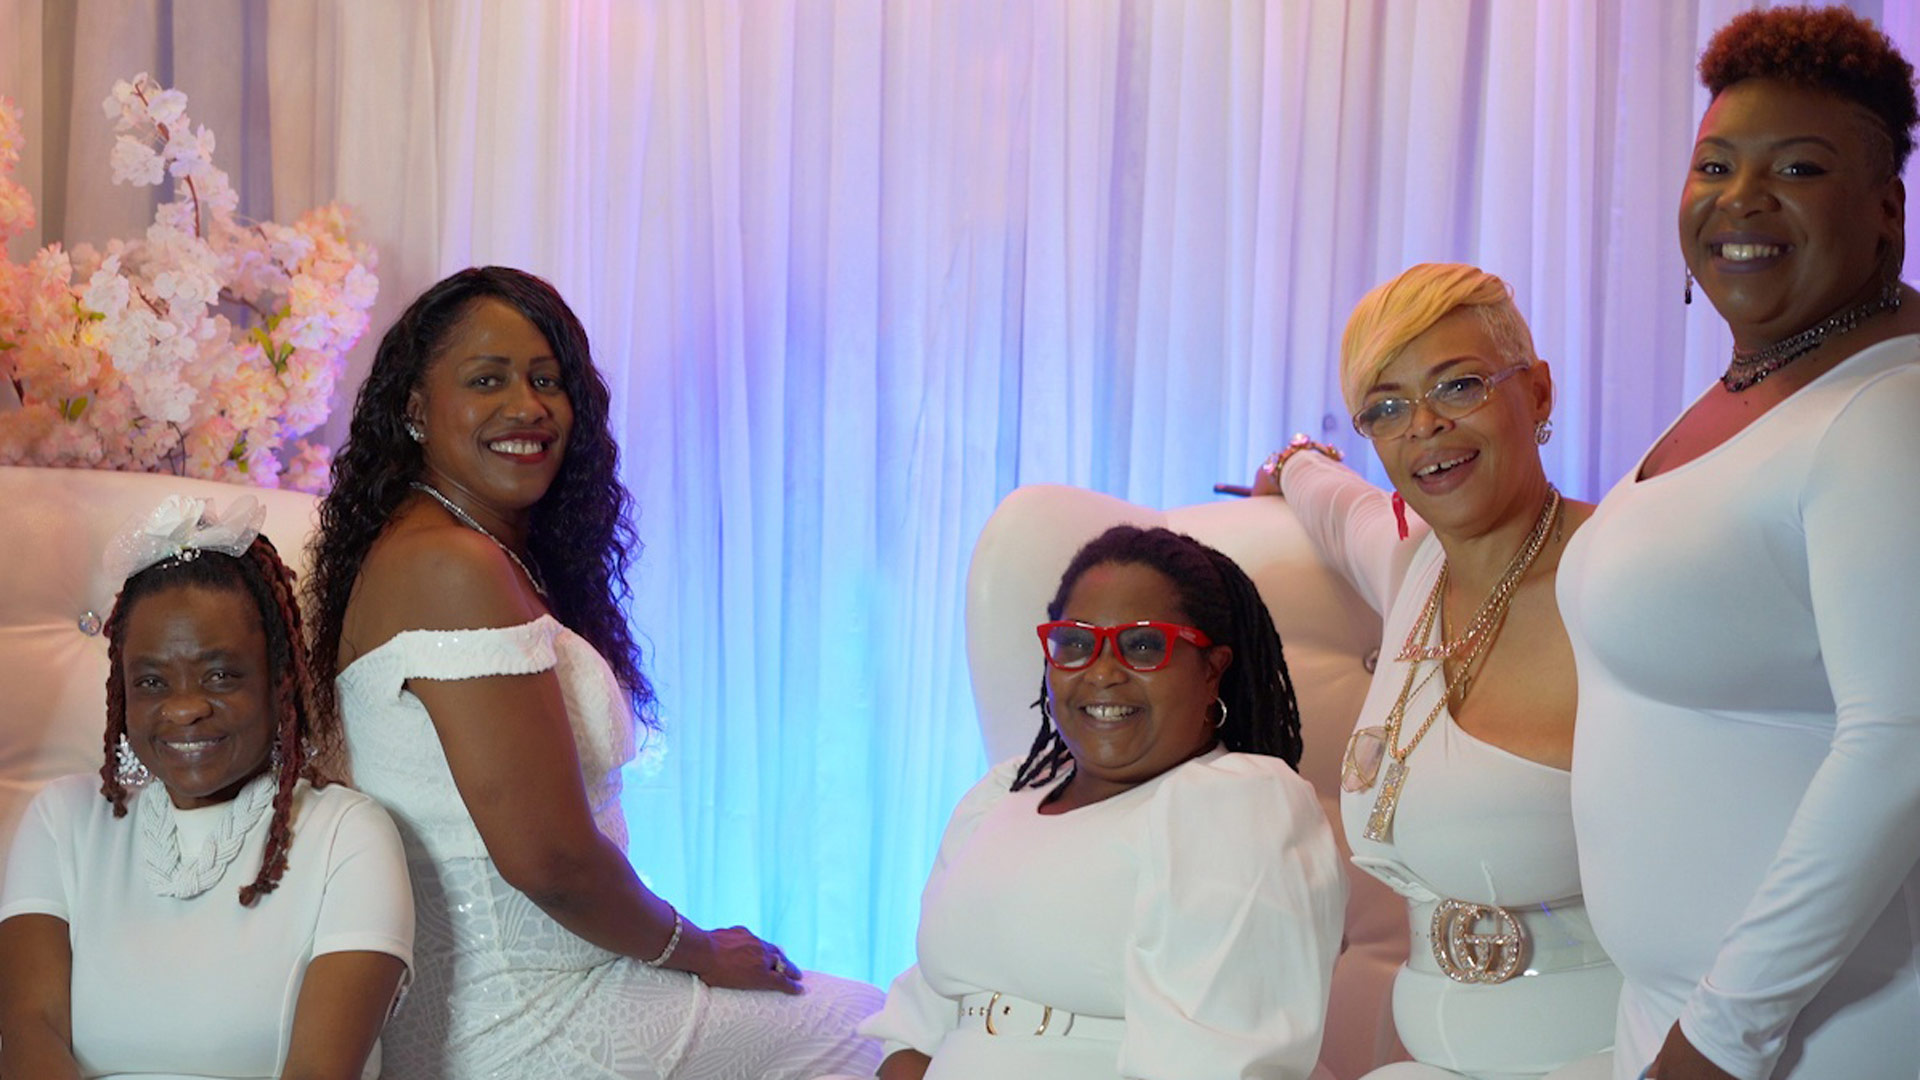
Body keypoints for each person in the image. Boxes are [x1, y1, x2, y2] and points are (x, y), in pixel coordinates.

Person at [304, 266, 881, 1079]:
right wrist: (697, 948)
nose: (528, 406)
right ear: (414, 410)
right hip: (518, 1021)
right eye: (487, 379)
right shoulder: (447, 565)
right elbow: (552, 862)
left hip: (561, 982)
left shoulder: (475, 551)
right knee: (881, 1036)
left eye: (548, 380)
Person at [1558, 8, 1920, 1079]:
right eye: (1715, 162)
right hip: (1678, 1020)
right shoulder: (1763, 384)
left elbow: (1900, 742)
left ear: (1886, 213)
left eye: (1798, 168)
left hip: (1804, 1040)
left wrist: (1724, 1034)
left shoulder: (1887, 416)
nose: (1741, 197)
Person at [1255, 263, 1618, 1079]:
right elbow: (1331, 499)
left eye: (1458, 387)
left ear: (1541, 393)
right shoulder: (1409, 561)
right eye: (1385, 407)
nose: (1421, 426)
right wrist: (1295, 462)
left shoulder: (1618, 580)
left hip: (1608, 1053)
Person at [859, 524, 1346, 1080]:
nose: (1103, 673)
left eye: (1143, 645)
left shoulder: (1236, 807)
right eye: (1076, 643)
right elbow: (911, 1033)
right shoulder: (1002, 796)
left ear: (1212, 669)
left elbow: (1217, 1067)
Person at [0, 494, 414, 1080]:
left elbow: (322, 1070)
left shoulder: (348, 834)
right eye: (152, 681)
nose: (185, 708)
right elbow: (27, 1033)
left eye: (220, 674)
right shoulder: (63, 821)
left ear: (278, 681)